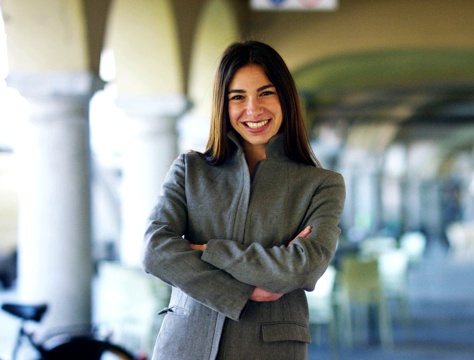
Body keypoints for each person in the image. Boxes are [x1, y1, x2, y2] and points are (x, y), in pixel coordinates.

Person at [141, 40, 346, 359]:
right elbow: (155, 251)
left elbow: (301, 270)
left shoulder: (321, 185)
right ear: (224, 105)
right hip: (185, 346)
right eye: (238, 97)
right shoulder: (189, 170)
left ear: (285, 98)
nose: (253, 109)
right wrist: (246, 289)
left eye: (266, 93)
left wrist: (210, 249)